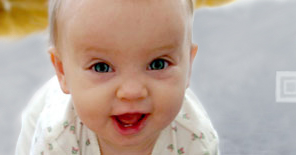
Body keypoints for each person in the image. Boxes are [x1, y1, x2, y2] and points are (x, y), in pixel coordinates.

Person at [16, 0, 235, 154]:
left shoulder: (196, 142)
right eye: (102, 67)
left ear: (188, 66)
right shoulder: (55, 140)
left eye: (157, 64)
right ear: (62, 72)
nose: (132, 92)